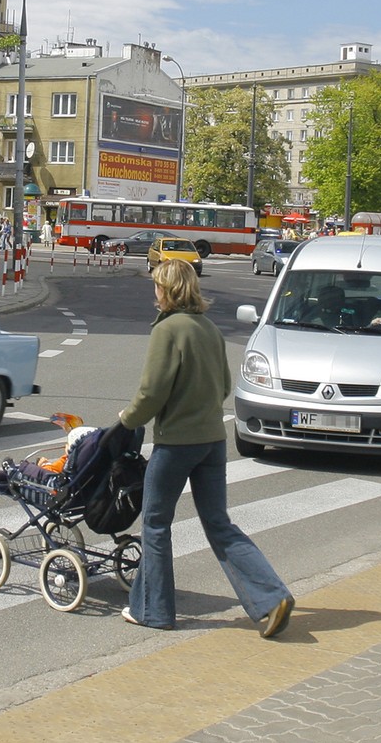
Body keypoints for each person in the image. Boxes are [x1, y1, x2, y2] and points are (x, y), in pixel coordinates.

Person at [119, 259, 293, 637]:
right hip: (212, 441)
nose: (154, 293)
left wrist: (125, 421)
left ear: (167, 290)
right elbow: (225, 385)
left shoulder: (168, 330)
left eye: (156, 287)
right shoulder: (209, 329)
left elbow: (152, 391)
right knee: (218, 522)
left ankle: (155, 611)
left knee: (154, 523)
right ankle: (271, 597)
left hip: (177, 443)